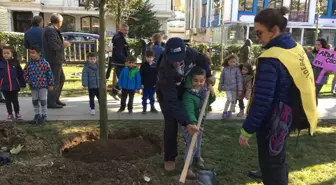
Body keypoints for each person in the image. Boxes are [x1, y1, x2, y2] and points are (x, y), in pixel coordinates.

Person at [239, 7, 317, 185]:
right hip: (288, 117)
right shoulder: (296, 48)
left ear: (274, 30)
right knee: (277, 158)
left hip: (272, 122)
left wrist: (247, 129)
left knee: (272, 165)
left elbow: (262, 99)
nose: (257, 38)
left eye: (259, 33)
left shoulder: (271, 58)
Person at [156, 37, 215, 172]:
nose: (177, 61)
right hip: (167, 95)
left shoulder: (190, 53)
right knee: (171, 124)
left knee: (196, 123)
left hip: (185, 90)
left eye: (179, 57)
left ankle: (195, 155)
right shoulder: (163, 70)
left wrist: (209, 75)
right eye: (173, 59)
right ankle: (170, 158)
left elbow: (202, 60)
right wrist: (186, 123)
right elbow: (172, 102)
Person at [182, 66, 216, 178]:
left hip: (200, 122)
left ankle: (197, 158)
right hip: (190, 124)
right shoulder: (188, 95)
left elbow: (208, 101)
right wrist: (193, 123)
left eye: (202, 81)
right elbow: (189, 111)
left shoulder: (203, 90)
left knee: (199, 141)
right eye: (195, 81)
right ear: (190, 79)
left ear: (205, 80)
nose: (199, 83)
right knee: (193, 145)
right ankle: (187, 167)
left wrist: (211, 94)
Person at [43, 13, 70, 109]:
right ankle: (51, 102)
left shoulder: (52, 29)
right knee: (54, 80)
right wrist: (64, 45)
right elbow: (53, 45)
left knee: (61, 79)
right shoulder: (50, 30)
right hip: (53, 59)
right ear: (60, 22)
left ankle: (55, 99)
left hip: (56, 59)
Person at [24, 46, 54, 124]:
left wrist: (51, 84)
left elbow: (49, 74)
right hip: (33, 86)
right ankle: (37, 114)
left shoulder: (44, 63)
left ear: (39, 53)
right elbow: (25, 73)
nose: (31, 54)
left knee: (43, 100)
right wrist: (27, 80)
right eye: (30, 53)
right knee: (34, 100)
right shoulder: (29, 63)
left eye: (33, 53)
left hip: (43, 85)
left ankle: (44, 115)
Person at [0, 46, 26, 120]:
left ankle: (17, 113)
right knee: (7, 101)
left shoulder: (15, 63)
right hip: (5, 86)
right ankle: (10, 114)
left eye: (8, 53)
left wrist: (22, 84)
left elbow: (20, 74)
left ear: (12, 54)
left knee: (15, 100)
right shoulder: (1, 64)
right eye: (4, 53)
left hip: (15, 86)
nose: (6, 55)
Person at [107, 24, 130, 100]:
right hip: (119, 62)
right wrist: (126, 60)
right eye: (125, 30)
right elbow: (119, 52)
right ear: (120, 29)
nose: (126, 32)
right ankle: (119, 93)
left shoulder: (117, 36)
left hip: (118, 61)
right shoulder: (119, 39)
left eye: (127, 30)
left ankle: (115, 92)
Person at [218, 54, 243, 119]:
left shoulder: (237, 70)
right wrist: (220, 87)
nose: (232, 63)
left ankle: (230, 111)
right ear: (228, 61)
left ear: (236, 62)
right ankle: (225, 111)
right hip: (227, 88)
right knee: (229, 99)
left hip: (234, 88)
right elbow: (221, 79)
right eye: (231, 61)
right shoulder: (225, 69)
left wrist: (240, 89)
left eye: (234, 62)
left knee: (233, 100)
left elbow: (239, 79)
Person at [310, 38, 329, 104]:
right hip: (314, 77)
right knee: (313, 95)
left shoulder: (326, 55)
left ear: (323, 45)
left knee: (314, 95)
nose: (317, 46)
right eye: (316, 44)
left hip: (321, 78)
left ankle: (314, 112)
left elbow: (325, 69)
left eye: (319, 45)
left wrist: (317, 80)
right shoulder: (315, 54)